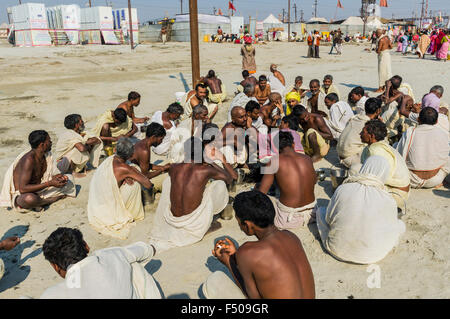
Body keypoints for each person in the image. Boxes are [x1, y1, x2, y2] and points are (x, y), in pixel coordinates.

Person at [202, 190, 315, 299]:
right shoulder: (291, 237)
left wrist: (228, 261)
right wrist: (236, 257)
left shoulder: (248, 252)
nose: (240, 227)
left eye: (239, 222)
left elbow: (254, 299)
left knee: (214, 281)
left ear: (247, 224)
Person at [149, 137, 235, 252]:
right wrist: (211, 161)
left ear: (185, 152)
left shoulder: (174, 167)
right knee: (219, 184)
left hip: (173, 218)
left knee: (168, 181)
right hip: (194, 224)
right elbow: (229, 178)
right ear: (202, 153)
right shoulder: (205, 170)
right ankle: (205, 225)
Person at [316, 156, 405, 264]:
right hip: (373, 256)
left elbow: (328, 218)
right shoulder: (388, 199)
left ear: (364, 167)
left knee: (320, 211)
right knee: (400, 225)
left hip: (336, 250)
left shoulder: (343, 189)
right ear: (384, 173)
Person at [41, 227, 161, 299]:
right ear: (86, 246)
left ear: (55, 266)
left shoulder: (52, 294)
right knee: (132, 265)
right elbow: (146, 250)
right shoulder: (111, 255)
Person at [87, 138, 152, 239]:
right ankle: (133, 213)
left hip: (97, 203)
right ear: (130, 155)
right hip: (110, 208)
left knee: (133, 170)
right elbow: (147, 184)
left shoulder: (109, 160)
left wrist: (128, 175)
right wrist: (133, 174)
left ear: (115, 150)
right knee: (135, 182)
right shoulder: (125, 168)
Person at [0, 130, 76, 212]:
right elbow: (22, 189)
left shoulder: (46, 154)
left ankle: (39, 202)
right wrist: (49, 183)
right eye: (49, 141)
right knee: (29, 199)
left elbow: (49, 174)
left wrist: (57, 178)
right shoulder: (28, 160)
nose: (51, 142)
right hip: (23, 194)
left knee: (69, 178)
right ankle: (49, 200)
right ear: (42, 145)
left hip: (40, 188)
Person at [257, 131, 317, 229]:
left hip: (288, 219)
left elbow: (262, 193)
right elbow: (314, 181)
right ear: (293, 144)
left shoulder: (273, 161)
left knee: (262, 198)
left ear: (275, 148)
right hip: (313, 213)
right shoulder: (307, 158)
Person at [359, 120, 410, 208]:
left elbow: (378, 180)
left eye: (363, 132)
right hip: (398, 191)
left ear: (372, 136)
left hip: (396, 194)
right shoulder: (378, 146)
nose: (360, 134)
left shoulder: (376, 151)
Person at [396, 107, 449, 189]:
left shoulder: (410, 131)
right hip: (436, 179)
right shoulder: (443, 133)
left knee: (396, 145)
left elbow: (399, 156)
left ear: (418, 119)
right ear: (436, 121)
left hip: (411, 179)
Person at [337, 98, 382, 168]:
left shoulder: (355, 117)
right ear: (378, 111)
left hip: (340, 155)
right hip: (351, 159)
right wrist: (381, 124)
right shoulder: (369, 125)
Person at [130, 123, 170, 197]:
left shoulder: (141, 143)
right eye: (161, 139)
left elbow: (145, 164)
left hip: (137, 172)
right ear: (154, 137)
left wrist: (161, 167)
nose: (161, 142)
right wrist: (162, 169)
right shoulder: (144, 150)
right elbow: (145, 175)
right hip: (137, 180)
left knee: (167, 164)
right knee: (168, 177)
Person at [376, 28, 393, 93]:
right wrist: (386, 48)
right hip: (387, 55)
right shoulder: (387, 38)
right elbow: (391, 47)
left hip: (382, 56)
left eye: (376, 34)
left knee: (381, 71)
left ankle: (381, 87)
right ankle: (387, 86)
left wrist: (376, 50)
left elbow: (378, 51)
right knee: (388, 71)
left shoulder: (381, 40)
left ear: (379, 34)